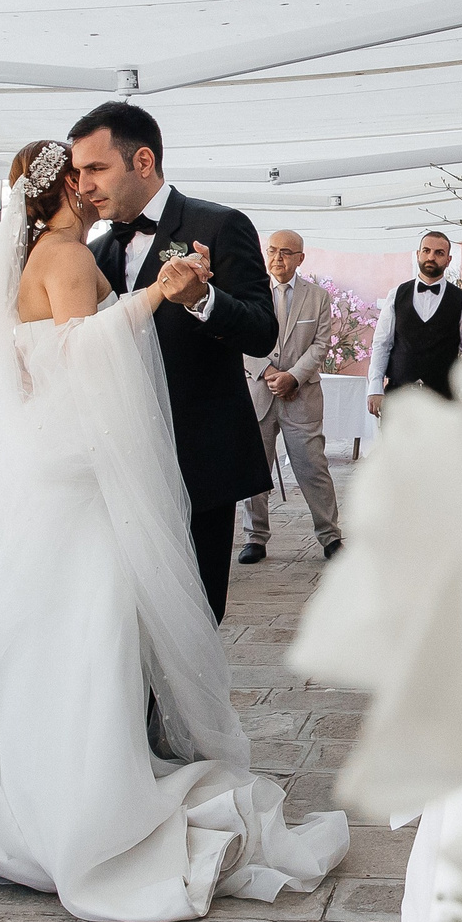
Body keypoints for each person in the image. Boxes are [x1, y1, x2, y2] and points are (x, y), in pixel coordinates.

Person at [0, 140, 347, 922]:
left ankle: (59, 776)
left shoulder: (58, 252)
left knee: (55, 636)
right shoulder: (62, 257)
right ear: (59, 185)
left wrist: (169, 289)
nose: (95, 185)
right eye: (83, 174)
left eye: (101, 171)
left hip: (52, 466)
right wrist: (157, 294)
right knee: (80, 634)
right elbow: (75, 350)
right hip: (68, 478)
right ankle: (75, 801)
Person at [70, 102, 278, 622]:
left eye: (95, 168)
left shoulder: (221, 224)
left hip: (198, 459)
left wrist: (202, 300)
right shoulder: (91, 252)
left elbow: (261, 332)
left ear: (143, 161)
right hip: (117, 464)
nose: (83, 185)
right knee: (120, 619)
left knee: (195, 616)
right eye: (77, 172)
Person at [237, 232, 344, 566]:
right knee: (255, 470)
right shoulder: (249, 292)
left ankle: (330, 536)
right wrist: (269, 372)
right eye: (272, 251)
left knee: (313, 468)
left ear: (301, 258)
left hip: (301, 395)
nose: (277, 258)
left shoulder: (318, 297)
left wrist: (293, 376)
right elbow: (238, 336)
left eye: (286, 252)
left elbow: (321, 344)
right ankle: (255, 537)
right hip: (259, 392)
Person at [368, 231, 462, 414]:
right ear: (418, 254)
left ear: (448, 260)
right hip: (398, 396)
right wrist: (375, 388)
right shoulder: (396, 295)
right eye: (426, 251)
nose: (431, 257)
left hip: (444, 400)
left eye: (439, 253)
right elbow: (382, 344)